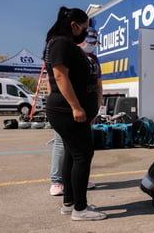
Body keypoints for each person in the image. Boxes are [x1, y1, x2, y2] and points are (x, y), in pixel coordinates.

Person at [43, 6, 106, 221]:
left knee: (72, 154)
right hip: (67, 111)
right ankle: (81, 209)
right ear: (74, 25)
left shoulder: (63, 43)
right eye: (84, 28)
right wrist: (76, 107)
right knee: (83, 155)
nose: (85, 32)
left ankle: (70, 203)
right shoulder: (61, 43)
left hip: (68, 110)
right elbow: (60, 77)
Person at [49, 27, 102, 196]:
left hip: (85, 110)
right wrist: (72, 107)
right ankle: (57, 182)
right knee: (63, 145)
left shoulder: (93, 58)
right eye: (90, 42)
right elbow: (56, 81)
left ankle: (78, 180)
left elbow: (98, 85)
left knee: (79, 153)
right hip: (67, 110)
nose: (92, 45)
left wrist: (95, 109)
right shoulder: (66, 54)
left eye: (95, 43)